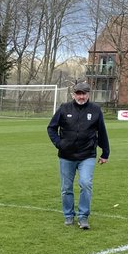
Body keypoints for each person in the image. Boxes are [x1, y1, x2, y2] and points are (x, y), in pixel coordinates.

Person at [46, 80, 110, 229]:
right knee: (66, 188)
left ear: (88, 95)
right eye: (78, 94)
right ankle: (68, 215)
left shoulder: (95, 110)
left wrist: (105, 152)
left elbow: (102, 132)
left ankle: (83, 217)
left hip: (87, 155)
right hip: (66, 156)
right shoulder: (64, 108)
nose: (81, 97)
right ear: (73, 95)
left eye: (84, 94)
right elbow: (51, 128)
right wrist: (59, 143)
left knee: (86, 184)